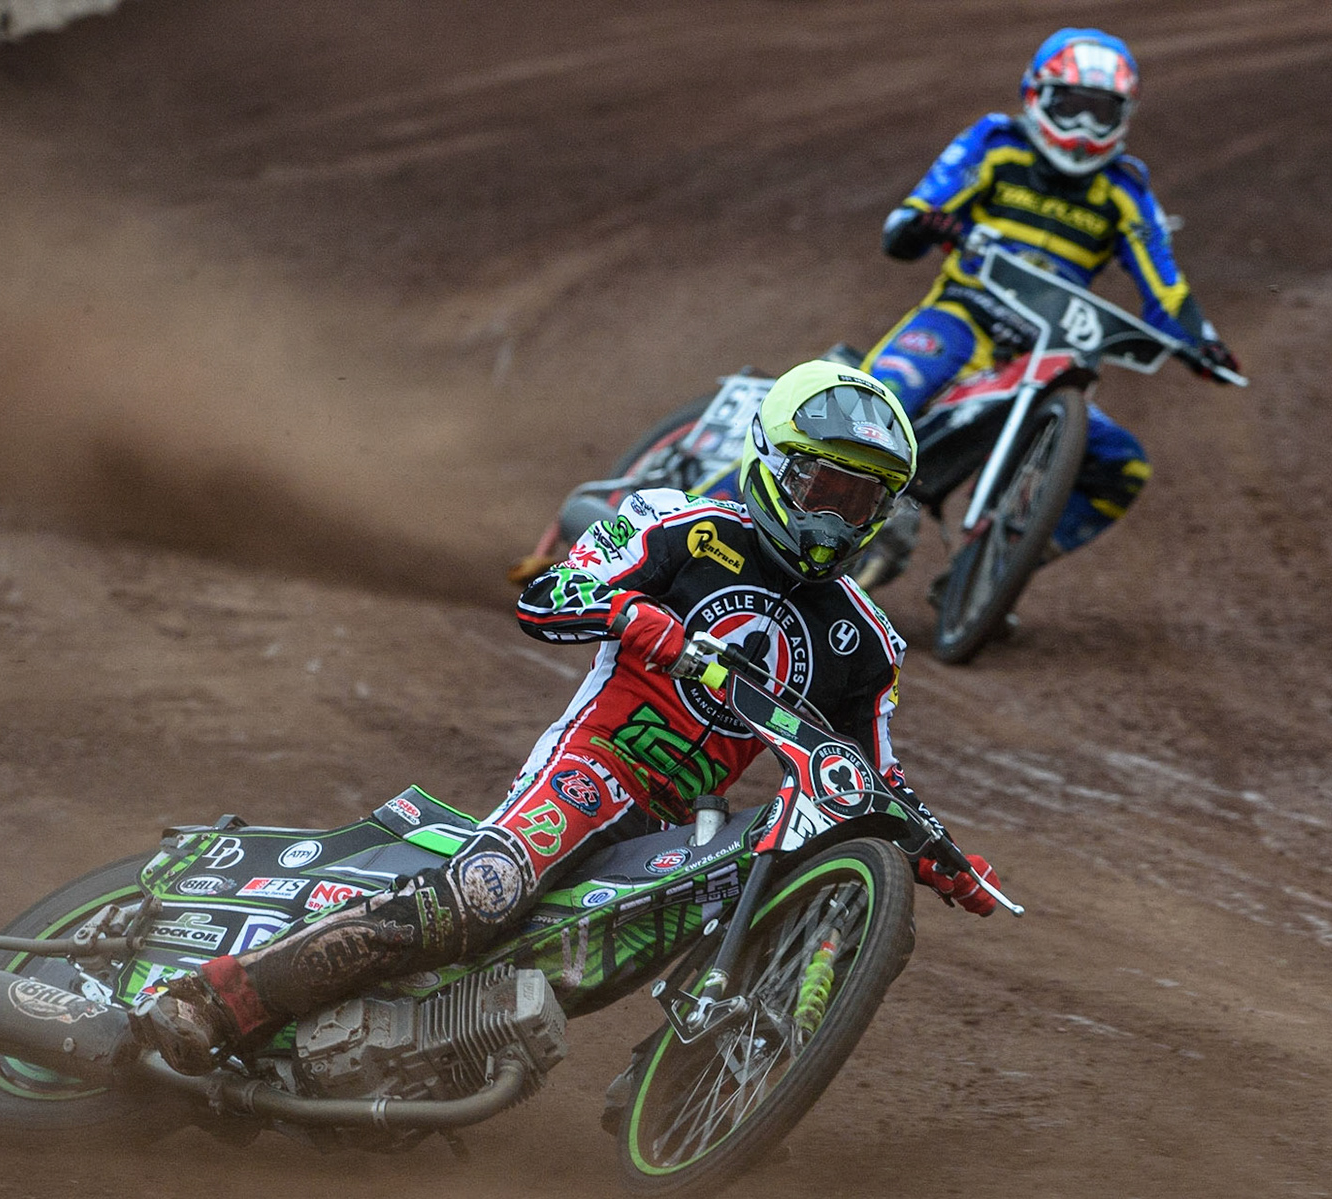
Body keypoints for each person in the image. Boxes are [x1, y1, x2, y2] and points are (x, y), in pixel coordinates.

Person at [134, 362, 1000, 1074]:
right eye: (823, 486)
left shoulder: (867, 639)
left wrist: (936, 852)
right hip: (595, 768)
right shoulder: (679, 524)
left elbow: (868, 775)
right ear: (773, 461)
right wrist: (635, 618)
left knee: (601, 958)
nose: (832, 517)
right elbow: (549, 594)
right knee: (485, 896)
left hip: (680, 827)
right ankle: (220, 996)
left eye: (859, 503)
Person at [863, 27, 1240, 570]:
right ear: (1036, 96)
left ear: (1124, 118)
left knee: (1122, 467)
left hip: (1043, 356)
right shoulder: (995, 146)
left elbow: (1166, 285)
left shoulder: (1125, 190)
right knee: (880, 398)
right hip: (963, 319)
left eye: (1101, 112)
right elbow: (910, 218)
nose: (1085, 127)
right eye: (1072, 107)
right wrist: (925, 224)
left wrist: (1203, 342)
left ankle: (991, 569)